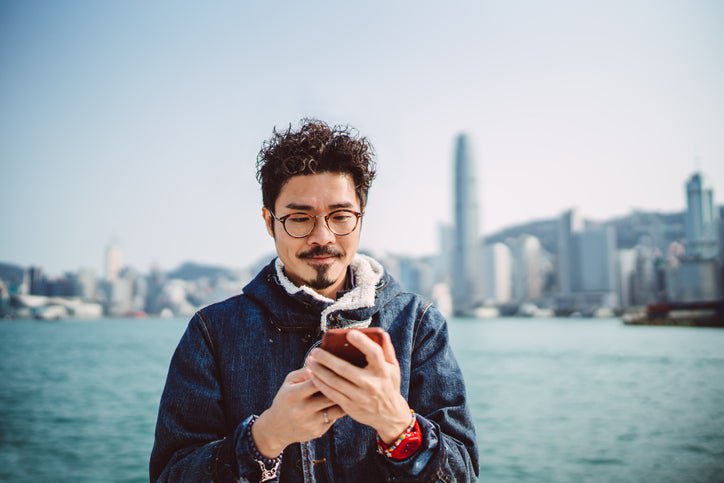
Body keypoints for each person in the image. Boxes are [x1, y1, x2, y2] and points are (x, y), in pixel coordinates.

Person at [150, 119, 479, 482]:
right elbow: (171, 474)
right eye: (299, 218)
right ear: (268, 221)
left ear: (361, 218)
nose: (322, 236)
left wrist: (397, 424)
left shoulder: (417, 324)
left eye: (340, 216)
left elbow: (462, 474)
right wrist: (265, 438)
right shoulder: (212, 332)